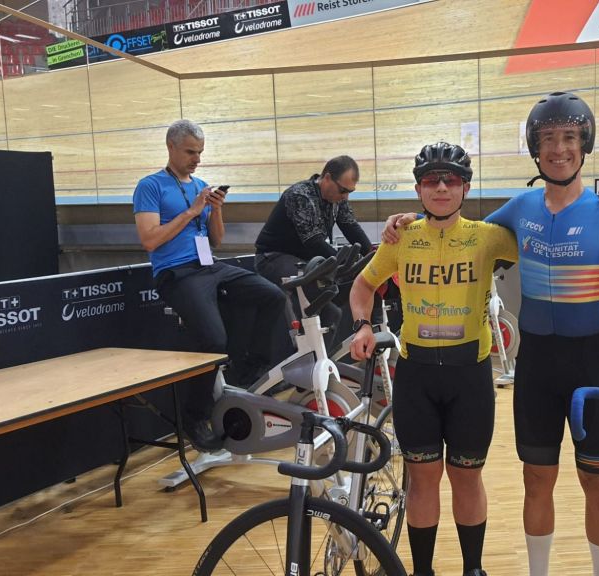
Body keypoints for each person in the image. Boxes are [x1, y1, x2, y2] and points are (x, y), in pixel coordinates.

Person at [382, 92, 599, 576]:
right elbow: (457, 233)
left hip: (592, 364)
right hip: (538, 364)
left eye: (569, 137)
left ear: (584, 144)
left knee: (597, 481)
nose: (559, 149)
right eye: (548, 139)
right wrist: (410, 224)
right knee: (536, 480)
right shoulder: (521, 208)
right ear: (535, 149)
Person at [349, 142, 518, 576]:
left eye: (451, 179)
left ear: (465, 187)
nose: (441, 187)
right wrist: (362, 325)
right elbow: (363, 285)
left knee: (467, 478)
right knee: (423, 481)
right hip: (417, 378)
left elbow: (545, 234)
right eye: (431, 180)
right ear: (419, 189)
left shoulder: (489, 236)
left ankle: (473, 569)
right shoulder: (402, 237)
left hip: (470, 379)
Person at [133, 119, 285, 451]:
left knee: (272, 295)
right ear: (171, 147)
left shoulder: (200, 185)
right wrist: (192, 211)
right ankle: (195, 416)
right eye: (190, 152)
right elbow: (149, 240)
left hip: (209, 266)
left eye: (200, 152)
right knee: (214, 339)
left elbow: (216, 239)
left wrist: (215, 210)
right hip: (176, 273)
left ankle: (249, 370)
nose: (197, 159)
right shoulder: (150, 186)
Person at [254, 156, 373, 348]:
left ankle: (318, 359)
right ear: (327, 178)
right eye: (343, 190)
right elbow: (313, 241)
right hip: (273, 258)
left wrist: (373, 255)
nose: (345, 197)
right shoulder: (300, 195)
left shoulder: (337, 198)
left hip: (306, 260)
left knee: (332, 313)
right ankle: (303, 354)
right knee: (327, 299)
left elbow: (351, 227)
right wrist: (343, 262)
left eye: (350, 192)